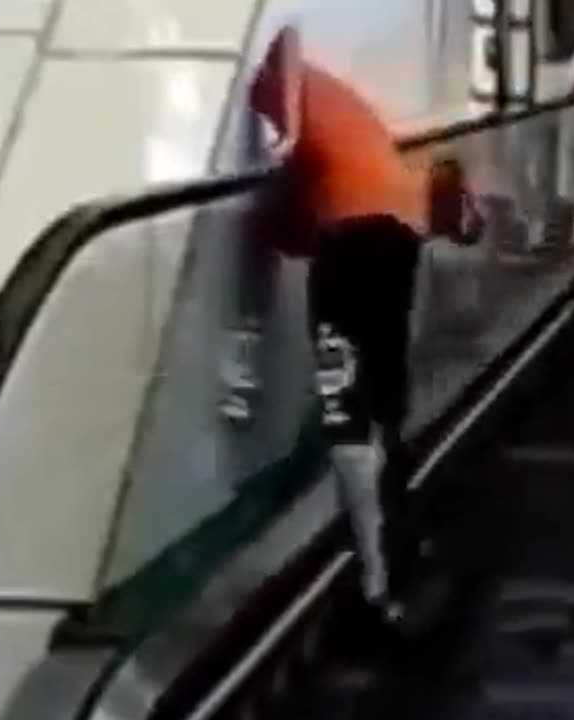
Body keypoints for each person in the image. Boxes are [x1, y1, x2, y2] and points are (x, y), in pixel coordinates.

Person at [223, 26, 474, 624]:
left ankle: (374, 583)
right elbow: (282, 235)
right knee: (386, 404)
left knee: (348, 414)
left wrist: (281, 129)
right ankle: (405, 543)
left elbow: (284, 38)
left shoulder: (279, 81)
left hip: (352, 237)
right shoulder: (343, 115)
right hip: (396, 236)